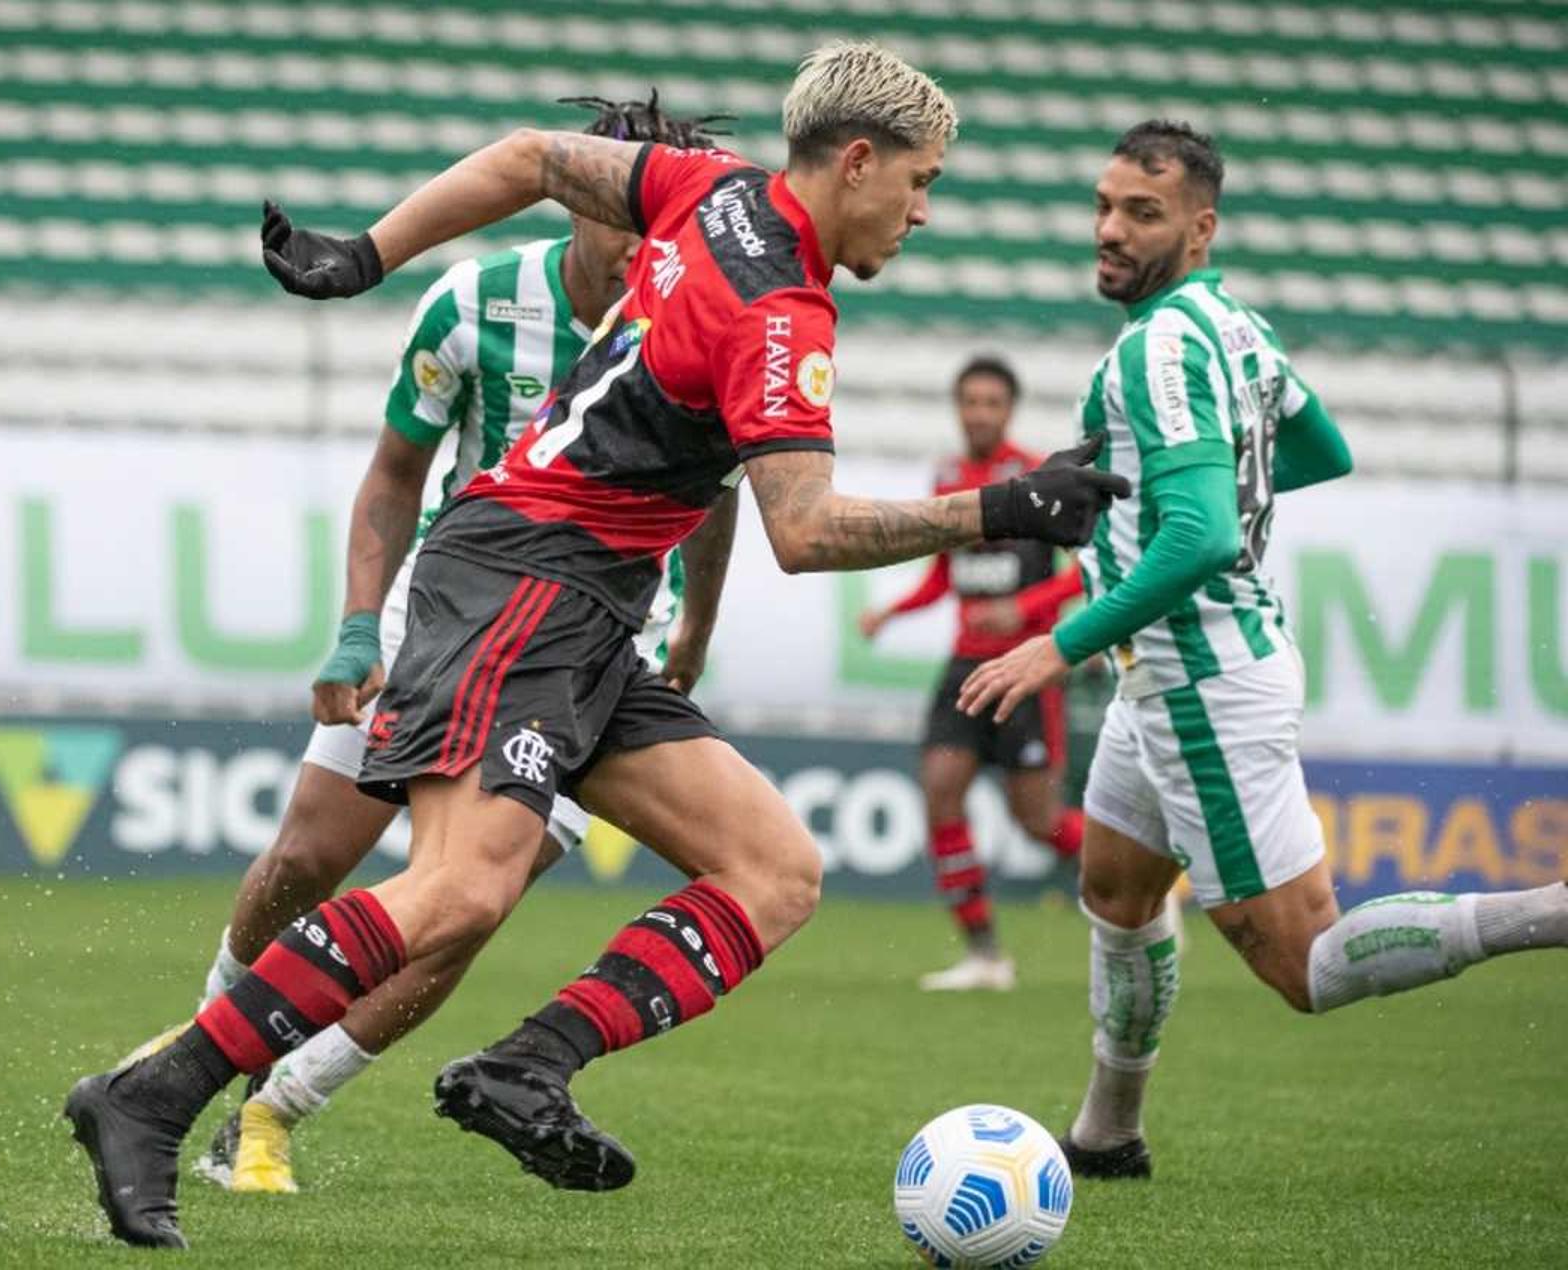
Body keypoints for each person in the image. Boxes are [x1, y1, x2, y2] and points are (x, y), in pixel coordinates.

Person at [65, 42, 1128, 1249]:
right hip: (523, 577)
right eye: (922, 181)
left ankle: (527, 1066)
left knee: (773, 868)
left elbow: (530, 158)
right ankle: (150, 1097)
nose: (924, 210)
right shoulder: (783, 311)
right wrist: (1002, 507)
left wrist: (365, 252)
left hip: (590, 611)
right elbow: (806, 527)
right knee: (458, 887)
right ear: (859, 160)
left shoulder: (709, 186)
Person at [116, 93, 733, 1198]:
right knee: (311, 857)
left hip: (594, 646)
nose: (645, 222)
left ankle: (276, 1108)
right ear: (587, 187)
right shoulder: (476, 303)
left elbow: (729, 493)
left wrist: (696, 623)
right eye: (623, 195)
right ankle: (201, 1049)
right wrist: (358, 628)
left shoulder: (703, 316)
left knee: (462, 908)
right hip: (448, 611)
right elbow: (395, 475)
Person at [956, 120, 1568, 1180]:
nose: (1110, 229)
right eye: (1104, 205)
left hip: (1198, 681)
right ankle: (1107, 1133)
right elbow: (1321, 450)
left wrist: (1058, 644)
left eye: (1140, 214)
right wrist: (1188, 490)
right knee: (1114, 889)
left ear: (1200, 227)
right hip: (1171, 679)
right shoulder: (1234, 326)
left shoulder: (1155, 347)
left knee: (1308, 963)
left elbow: (1201, 534)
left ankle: (1551, 910)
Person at [859, 355, 1086, 992]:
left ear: (1008, 409)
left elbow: (1081, 575)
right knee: (939, 792)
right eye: (970, 401)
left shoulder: (1040, 476)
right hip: (965, 664)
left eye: (991, 402)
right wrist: (892, 613)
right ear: (958, 408)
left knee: (1039, 823)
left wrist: (1024, 608)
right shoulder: (950, 478)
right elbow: (942, 575)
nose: (979, 412)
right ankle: (985, 955)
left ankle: (1145, 884)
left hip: (1026, 667)